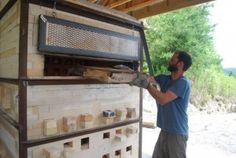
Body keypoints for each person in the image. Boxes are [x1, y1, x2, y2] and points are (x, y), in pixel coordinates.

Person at [131, 50, 192, 158]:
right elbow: (148, 79)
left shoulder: (183, 83)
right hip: (165, 130)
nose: (169, 61)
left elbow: (163, 99)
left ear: (181, 64)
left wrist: (147, 86)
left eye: (173, 60)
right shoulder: (165, 78)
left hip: (177, 133)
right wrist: (135, 75)